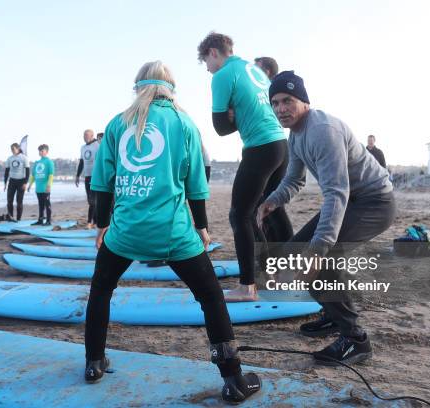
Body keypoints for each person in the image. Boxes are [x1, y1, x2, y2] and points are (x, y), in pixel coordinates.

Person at [84, 61, 261, 404]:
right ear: (170, 88)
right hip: (174, 234)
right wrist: (202, 228)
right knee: (210, 298)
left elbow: (102, 181)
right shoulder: (184, 123)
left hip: (124, 233)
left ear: (138, 87)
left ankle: (93, 363)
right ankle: (233, 379)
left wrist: (103, 223)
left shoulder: (117, 124)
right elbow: (196, 185)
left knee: (101, 290)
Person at [257, 71, 396, 366]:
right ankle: (333, 315)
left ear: (303, 101)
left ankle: (356, 341)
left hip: (373, 202)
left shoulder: (322, 130)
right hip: (350, 200)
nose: (281, 108)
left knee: (322, 262)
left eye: (287, 101)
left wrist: (318, 250)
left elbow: (336, 193)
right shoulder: (296, 135)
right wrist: (271, 201)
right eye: (276, 103)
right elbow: (294, 180)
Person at [198, 31, 292, 302]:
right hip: (280, 146)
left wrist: (233, 116)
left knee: (239, 215)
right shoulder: (253, 69)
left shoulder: (223, 75)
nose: (207, 68)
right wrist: (238, 113)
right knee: (265, 211)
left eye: (206, 61)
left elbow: (220, 128)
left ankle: (247, 286)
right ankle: (270, 276)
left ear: (213, 52)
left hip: (260, 147)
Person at [75, 130, 102, 228]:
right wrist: (77, 176)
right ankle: (95, 221)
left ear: (92, 135)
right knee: (90, 200)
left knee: (93, 201)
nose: (84, 137)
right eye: (83, 135)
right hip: (87, 176)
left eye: (86, 135)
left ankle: (90, 222)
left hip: (97, 176)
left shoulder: (98, 145)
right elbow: (81, 162)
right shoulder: (83, 147)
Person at [27, 144, 55, 226]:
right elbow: (33, 175)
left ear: (47, 152)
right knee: (41, 205)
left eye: (42, 151)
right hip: (38, 188)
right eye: (40, 151)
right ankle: (40, 220)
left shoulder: (49, 162)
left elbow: (51, 175)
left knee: (47, 204)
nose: (41, 152)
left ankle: (49, 221)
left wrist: (49, 185)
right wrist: (30, 185)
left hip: (45, 187)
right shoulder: (37, 163)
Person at [3, 142, 30, 221]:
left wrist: (25, 183)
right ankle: (11, 217)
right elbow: (6, 171)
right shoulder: (9, 158)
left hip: (21, 182)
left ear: (18, 149)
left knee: (19, 201)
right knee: (9, 201)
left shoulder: (24, 158)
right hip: (12, 182)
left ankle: (18, 219)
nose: (12, 150)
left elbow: (28, 171)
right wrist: (5, 183)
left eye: (14, 149)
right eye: (11, 149)